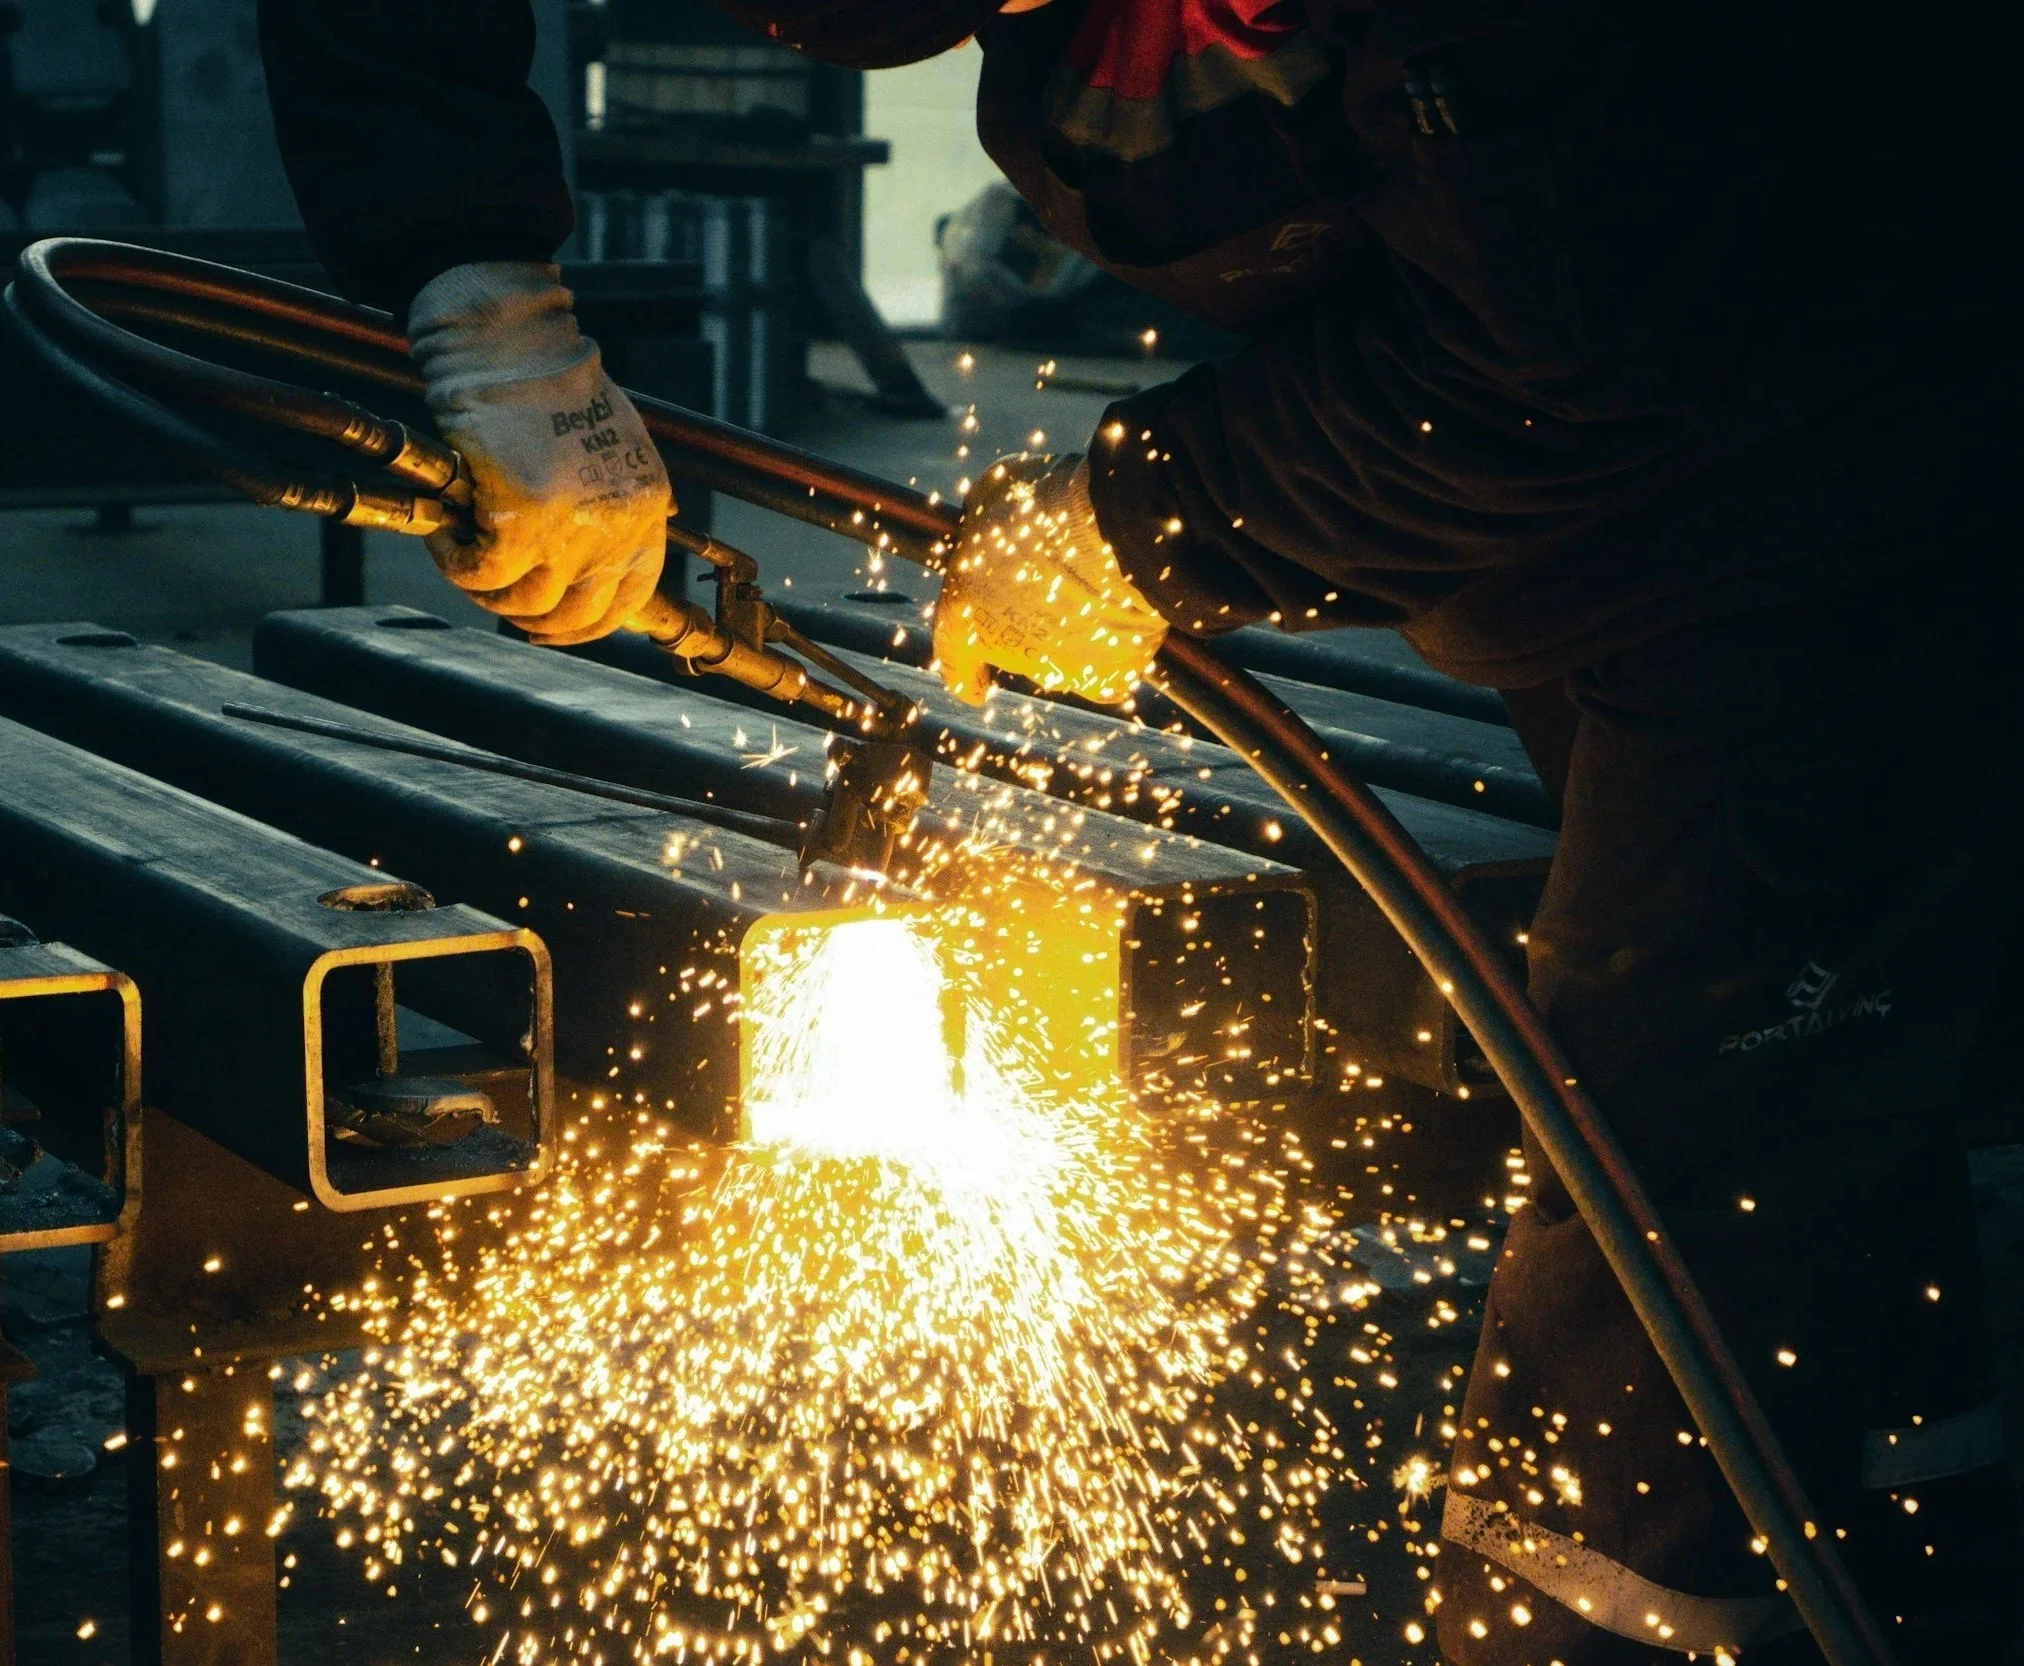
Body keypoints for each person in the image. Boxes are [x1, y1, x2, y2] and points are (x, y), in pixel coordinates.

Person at [256, 0, 2021, 1658]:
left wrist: (1151, 516)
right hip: (1607, 506)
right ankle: (1922, 1545)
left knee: (1694, 1165)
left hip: (1847, 449)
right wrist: (473, 276)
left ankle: (1651, 1604)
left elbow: (1569, 343)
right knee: (1812, 1109)